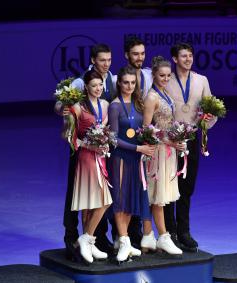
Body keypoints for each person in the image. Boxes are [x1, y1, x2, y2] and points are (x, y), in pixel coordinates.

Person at [56, 43, 116, 258]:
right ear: (93, 60)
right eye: (102, 60)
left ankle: (94, 239)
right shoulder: (80, 82)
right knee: (79, 195)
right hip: (82, 154)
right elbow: (62, 105)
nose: (106, 64)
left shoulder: (112, 80)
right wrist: (64, 108)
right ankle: (73, 237)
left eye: (109, 60)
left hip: (100, 154)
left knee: (99, 198)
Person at [164, 42, 217, 252]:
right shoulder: (167, 80)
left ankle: (184, 231)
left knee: (186, 188)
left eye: (190, 56)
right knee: (169, 188)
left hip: (192, 139)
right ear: (175, 59)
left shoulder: (201, 80)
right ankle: (170, 232)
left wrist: (209, 118)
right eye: (183, 56)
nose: (188, 59)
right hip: (170, 140)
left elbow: (210, 106)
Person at [107, 66, 156, 262]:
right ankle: (125, 240)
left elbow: (143, 130)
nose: (129, 86)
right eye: (125, 82)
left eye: (133, 83)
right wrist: (138, 149)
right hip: (120, 157)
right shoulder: (115, 106)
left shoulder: (138, 104)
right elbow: (113, 139)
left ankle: (124, 240)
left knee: (130, 199)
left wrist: (148, 141)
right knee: (120, 198)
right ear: (119, 83)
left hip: (136, 158)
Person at [141, 56, 185, 256]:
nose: (165, 78)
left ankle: (148, 235)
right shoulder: (152, 97)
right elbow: (146, 129)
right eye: (162, 75)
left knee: (157, 196)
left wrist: (178, 137)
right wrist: (169, 140)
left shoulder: (165, 93)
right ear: (154, 75)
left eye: (168, 75)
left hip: (168, 152)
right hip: (156, 152)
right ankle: (163, 237)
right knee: (156, 196)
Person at [70, 70, 113, 263]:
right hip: (87, 158)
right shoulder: (78, 108)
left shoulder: (105, 105)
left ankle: (88, 240)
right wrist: (88, 145)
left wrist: (104, 141)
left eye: (100, 85)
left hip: (100, 157)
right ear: (86, 86)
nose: (98, 89)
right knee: (92, 202)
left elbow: (108, 129)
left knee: (99, 201)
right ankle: (87, 239)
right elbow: (68, 136)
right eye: (94, 85)